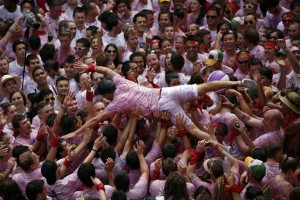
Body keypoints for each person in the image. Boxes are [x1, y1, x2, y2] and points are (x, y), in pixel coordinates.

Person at [62, 60, 257, 142]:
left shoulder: (116, 104)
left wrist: (76, 132)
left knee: (192, 130)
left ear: (105, 96)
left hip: (163, 106)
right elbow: (105, 70)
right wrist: (89, 67)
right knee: (203, 87)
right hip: (167, 92)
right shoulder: (120, 80)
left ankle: (217, 144)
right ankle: (238, 81)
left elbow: (94, 120)